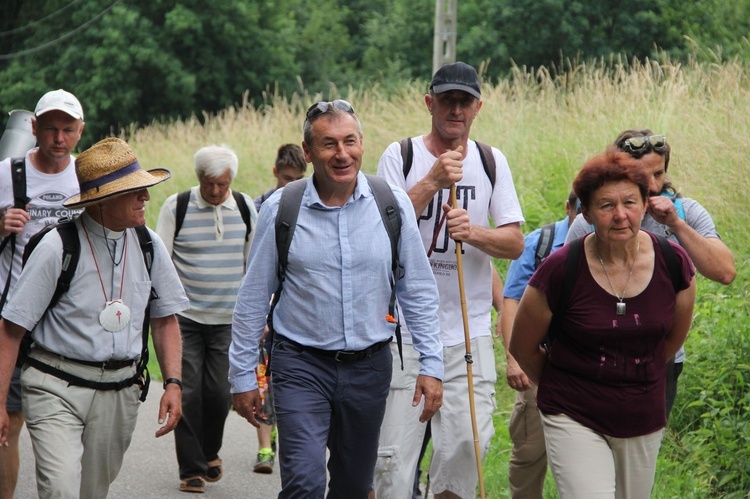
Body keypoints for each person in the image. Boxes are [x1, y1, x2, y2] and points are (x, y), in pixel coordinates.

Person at [230, 100, 444, 498]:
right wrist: (242, 375)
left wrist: (432, 365)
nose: (341, 153)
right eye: (328, 144)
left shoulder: (391, 204)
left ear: (362, 144)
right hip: (300, 366)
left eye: (349, 141)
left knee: (353, 486)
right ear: (308, 152)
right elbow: (253, 298)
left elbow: (418, 290)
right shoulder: (281, 209)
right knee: (304, 484)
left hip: (369, 368)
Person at [0, 137, 188, 499]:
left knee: (93, 491)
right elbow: (10, 330)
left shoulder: (149, 244)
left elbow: (165, 320)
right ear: (101, 200)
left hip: (120, 390)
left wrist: (174, 383)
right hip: (54, 386)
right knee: (61, 490)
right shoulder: (58, 246)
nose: (145, 197)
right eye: (134, 191)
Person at [374, 61, 524, 499]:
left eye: (464, 101)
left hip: (469, 330)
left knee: (467, 445)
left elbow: (514, 242)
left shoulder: (491, 161)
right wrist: (430, 183)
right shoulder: (400, 155)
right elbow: (376, 227)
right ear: (429, 103)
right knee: (392, 460)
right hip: (402, 330)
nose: (455, 110)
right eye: (446, 101)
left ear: (477, 107)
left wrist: (473, 232)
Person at [510, 147, 696, 497]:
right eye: (606, 205)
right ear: (587, 213)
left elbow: (669, 342)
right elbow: (522, 346)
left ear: (645, 204)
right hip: (573, 412)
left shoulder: (674, 263)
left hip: (642, 414)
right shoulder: (561, 269)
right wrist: (564, 385)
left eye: (630, 202)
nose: (620, 215)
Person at [566, 129, 736, 417]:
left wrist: (677, 225)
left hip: (663, 355)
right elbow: (565, 287)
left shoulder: (687, 212)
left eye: (659, 174)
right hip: (597, 354)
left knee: (642, 449)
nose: (654, 186)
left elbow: (725, 272)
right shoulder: (592, 222)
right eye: (645, 178)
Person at [156, 145, 257, 493]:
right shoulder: (177, 207)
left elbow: (254, 266)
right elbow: (162, 263)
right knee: (189, 391)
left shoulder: (245, 208)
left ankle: (209, 451)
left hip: (228, 319)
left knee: (218, 394)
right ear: (199, 178)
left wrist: (259, 315)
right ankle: (192, 468)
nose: (215, 191)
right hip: (184, 319)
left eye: (222, 184)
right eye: (209, 183)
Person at [0, 89, 85, 499]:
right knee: (9, 424)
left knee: (65, 425)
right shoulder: (7, 173)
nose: (58, 138)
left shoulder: (87, 177)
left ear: (80, 132)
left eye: (67, 129)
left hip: (69, 320)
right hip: (15, 320)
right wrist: (0, 227)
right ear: (33, 128)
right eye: (50, 128)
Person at [499, 190, 578, 499]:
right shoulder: (539, 243)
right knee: (531, 450)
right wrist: (514, 359)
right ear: (568, 206)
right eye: (580, 210)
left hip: (584, 366)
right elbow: (512, 301)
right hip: (540, 360)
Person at [251, 143, 306, 475]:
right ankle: (264, 448)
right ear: (275, 173)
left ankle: (290, 444)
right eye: (286, 178)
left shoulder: (308, 206)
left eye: (297, 178)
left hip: (293, 312)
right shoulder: (261, 207)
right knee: (262, 381)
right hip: (267, 308)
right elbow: (256, 265)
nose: (290, 184)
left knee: (289, 383)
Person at [253, 143, 307, 212]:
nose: (294, 185)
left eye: (299, 179)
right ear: (275, 172)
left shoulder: (310, 207)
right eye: (288, 179)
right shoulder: (258, 208)